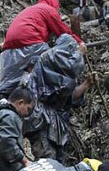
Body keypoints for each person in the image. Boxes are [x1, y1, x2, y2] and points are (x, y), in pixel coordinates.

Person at [0, 0, 80, 99]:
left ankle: (1, 100)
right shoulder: (48, 9)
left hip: (8, 48)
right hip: (32, 43)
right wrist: (79, 43)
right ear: (55, 5)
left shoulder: (30, 10)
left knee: (7, 83)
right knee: (50, 64)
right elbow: (64, 33)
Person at [29, 33, 90, 162]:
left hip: (57, 120)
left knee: (60, 160)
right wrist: (79, 53)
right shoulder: (49, 56)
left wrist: (87, 84)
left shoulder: (61, 71)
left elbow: (70, 97)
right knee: (47, 159)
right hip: (41, 117)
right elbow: (72, 67)